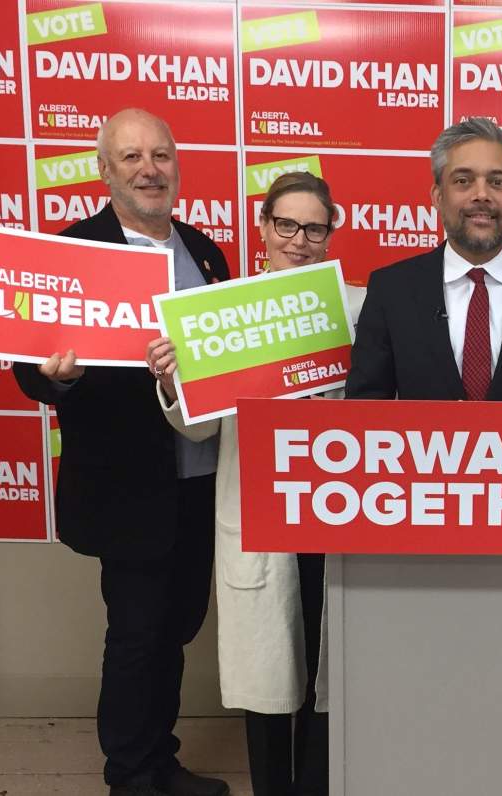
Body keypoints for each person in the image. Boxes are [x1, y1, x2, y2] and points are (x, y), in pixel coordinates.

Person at [13, 108, 231, 796]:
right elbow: (28, 368)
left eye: (161, 155)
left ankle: (160, 760)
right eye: (131, 157)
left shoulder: (205, 251)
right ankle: (130, 775)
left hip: (200, 481)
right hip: (125, 489)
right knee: (136, 638)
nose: (149, 169)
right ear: (105, 171)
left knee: (177, 629)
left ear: (176, 166)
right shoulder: (71, 255)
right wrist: (62, 376)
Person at [146, 173, 362, 796]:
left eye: (314, 227)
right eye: (286, 224)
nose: (299, 240)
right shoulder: (225, 313)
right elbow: (198, 429)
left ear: (329, 234)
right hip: (259, 515)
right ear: (263, 227)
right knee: (270, 676)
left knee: (328, 675)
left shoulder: (358, 307)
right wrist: (172, 380)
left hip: (333, 510)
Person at [344, 116, 502, 403]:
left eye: (497, 182)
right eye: (463, 181)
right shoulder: (391, 291)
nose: (482, 194)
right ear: (438, 196)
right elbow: (363, 415)